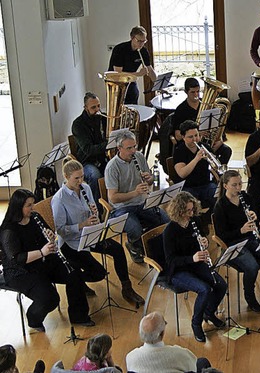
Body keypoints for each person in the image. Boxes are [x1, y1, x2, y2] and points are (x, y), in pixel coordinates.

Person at [52, 158, 145, 305]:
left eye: (82, 176)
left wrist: (94, 214)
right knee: (99, 274)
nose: (80, 181)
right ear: (66, 177)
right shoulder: (59, 199)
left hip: (91, 234)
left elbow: (93, 214)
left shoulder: (85, 188)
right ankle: (77, 281)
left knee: (118, 250)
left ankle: (127, 289)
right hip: (71, 243)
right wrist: (82, 224)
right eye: (76, 178)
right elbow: (61, 230)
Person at [0, 189, 94, 331]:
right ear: (18, 207)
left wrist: (50, 238)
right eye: (29, 205)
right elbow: (17, 259)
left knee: (74, 273)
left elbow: (48, 237)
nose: (33, 208)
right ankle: (33, 318)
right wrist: (42, 252)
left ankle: (78, 316)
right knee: (50, 299)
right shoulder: (9, 231)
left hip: (43, 261)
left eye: (33, 204)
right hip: (22, 272)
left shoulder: (35, 217)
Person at [213, 170, 260, 313]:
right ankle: (250, 297)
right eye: (234, 185)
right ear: (225, 186)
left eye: (240, 184)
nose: (238, 188)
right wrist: (241, 230)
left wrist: (255, 217)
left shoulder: (246, 198)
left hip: (252, 239)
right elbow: (221, 236)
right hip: (234, 245)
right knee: (252, 266)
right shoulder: (220, 207)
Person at [163, 191, 227, 342]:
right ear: (178, 211)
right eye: (187, 211)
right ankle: (196, 323)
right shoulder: (169, 231)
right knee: (204, 289)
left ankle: (209, 313)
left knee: (220, 285)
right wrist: (192, 258)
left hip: (196, 263)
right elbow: (171, 261)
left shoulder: (195, 222)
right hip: (178, 271)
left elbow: (200, 240)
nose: (191, 214)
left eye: (192, 210)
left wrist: (204, 241)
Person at [104, 130, 170, 263]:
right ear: (119, 148)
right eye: (129, 148)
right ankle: (134, 246)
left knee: (164, 219)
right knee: (135, 229)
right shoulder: (112, 167)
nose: (133, 151)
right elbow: (113, 198)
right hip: (122, 208)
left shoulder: (139, 157)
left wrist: (149, 178)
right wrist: (135, 192)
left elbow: (150, 180)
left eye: (134, 146)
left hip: (142, 202)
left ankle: (153, 247)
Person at [126, 312, 215, 373]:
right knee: (203, 362)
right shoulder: (180, 354)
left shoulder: (130, 357)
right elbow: (192, 369)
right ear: (162, 333)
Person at [171, 78, 232, 164]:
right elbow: (177, 136)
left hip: (207, 142)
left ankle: (218, 175)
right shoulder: (180, 110)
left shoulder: (208, 106)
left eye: (198, 91)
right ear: (186, 92)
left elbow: (218, 128)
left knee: (226, 151)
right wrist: (198, 133)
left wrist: (220, 141)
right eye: (192, 92)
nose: (196, 94)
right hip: (191, 144)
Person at [172, 120, 222, 215]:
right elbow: (182, 173)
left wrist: (212, 160)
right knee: (190, 204)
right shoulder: (179, 151)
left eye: (196, 135)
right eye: (190, 137)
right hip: (187, 187)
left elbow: (215, 167)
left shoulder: (205, 147)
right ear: (183, 137)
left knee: (220, 196)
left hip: (205, 184)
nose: (195, 139)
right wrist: (196, 159)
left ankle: (209, 218)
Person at [72, 92, 109, 205]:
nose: (97, 109)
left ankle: (115, 202)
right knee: (95, 176)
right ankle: (97, 208)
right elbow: (88, 150)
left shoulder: (103, 118)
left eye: (98, 105)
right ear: (85, 108)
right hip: (87, 161)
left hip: (102, 157)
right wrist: (108, 144)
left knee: (119, 167)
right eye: (93, 107)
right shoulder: (78, 124)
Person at [108, 26, 157, 104]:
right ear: (132, 38)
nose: (141, 44)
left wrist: (158, 84)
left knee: (134, 100)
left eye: (144, 41)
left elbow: (150, 70)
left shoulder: (143, 51)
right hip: (116, 83)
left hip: (130, 81)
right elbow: (118, 74)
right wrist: (138, 74)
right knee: (118, 110)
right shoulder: (120, 49)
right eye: (139, 41)